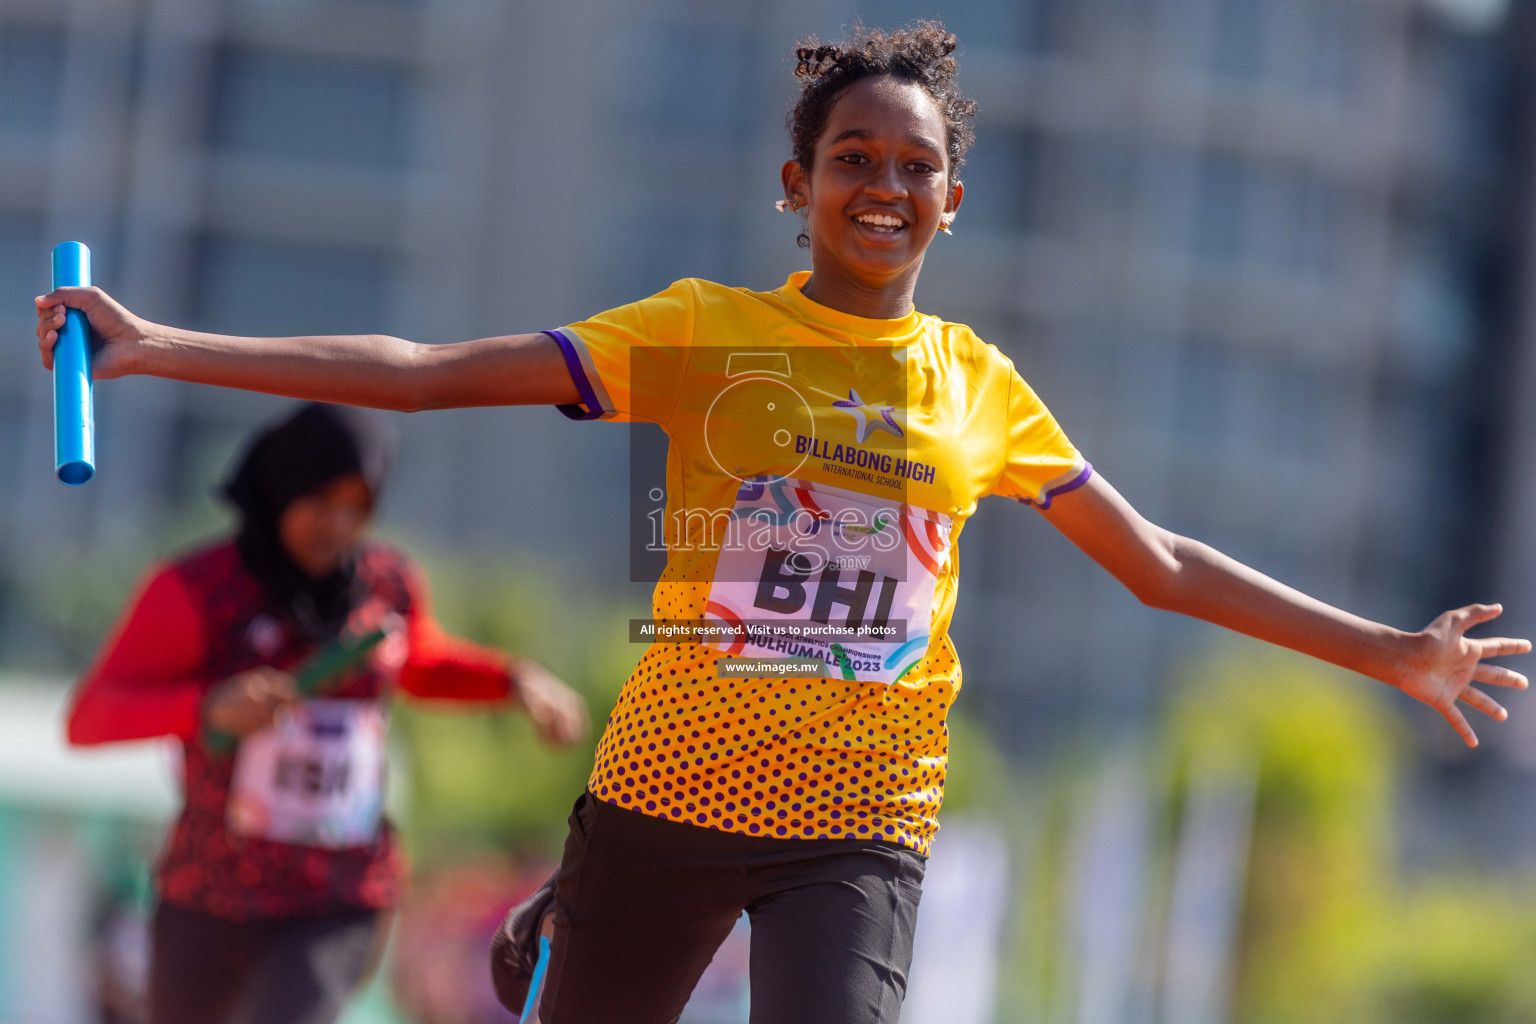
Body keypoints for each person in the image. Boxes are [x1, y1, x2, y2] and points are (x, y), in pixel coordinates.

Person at [36, 22, 1530, 1024]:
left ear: (954, 200)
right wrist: (163, 345)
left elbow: (1160, 565)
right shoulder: (700, 333)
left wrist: (1386, 651)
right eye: (854, 161)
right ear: (796, 184)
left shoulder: (981, 388)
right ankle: (574, 908)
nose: (884, 186)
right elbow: (429, 377)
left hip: (861, 817)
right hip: (670, 788)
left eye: (914, 166)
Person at [63, 402, 588, 1024]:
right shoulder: (195, 590)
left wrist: (515, 680)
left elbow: (419, 662)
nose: (337, 523)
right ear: (281, 486)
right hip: (210, 891)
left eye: (357, 504)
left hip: (339, 891)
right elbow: (89, 720)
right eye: (319, 499)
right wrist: (206, 707)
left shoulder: (385, 584)